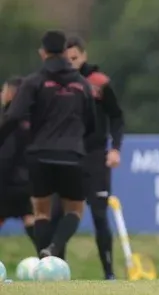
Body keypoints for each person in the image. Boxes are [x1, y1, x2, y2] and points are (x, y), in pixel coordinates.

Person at [0, 30, 96, 259]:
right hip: (72, 154)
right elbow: (91, 123)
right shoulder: (83, 84)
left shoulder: (34, 82)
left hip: (40, 155)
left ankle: (46, 259)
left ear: (42, 53)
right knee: (75, 209)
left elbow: (14, 117)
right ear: (64, 51)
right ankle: (54, 247)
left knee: (41, 212)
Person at [50, 36, 125, 279]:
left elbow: (116, 117)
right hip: (66, 156)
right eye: (66, 59)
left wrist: (115, 148)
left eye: (74, 58)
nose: (70, 63)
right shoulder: (54, 84)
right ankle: (57, 272)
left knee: (99, 216)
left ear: (83, 56)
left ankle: (109, 274)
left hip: (94, 157)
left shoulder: (99, 83)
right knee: (57, 214)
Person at [0, 77, 35, 245]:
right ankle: (46, 252)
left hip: (7, 179)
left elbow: (7, 153)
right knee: (28, 216)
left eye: (3, 90)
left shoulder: (8, 119)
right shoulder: (32, 118)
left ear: (10, 94)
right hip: (26, 179)